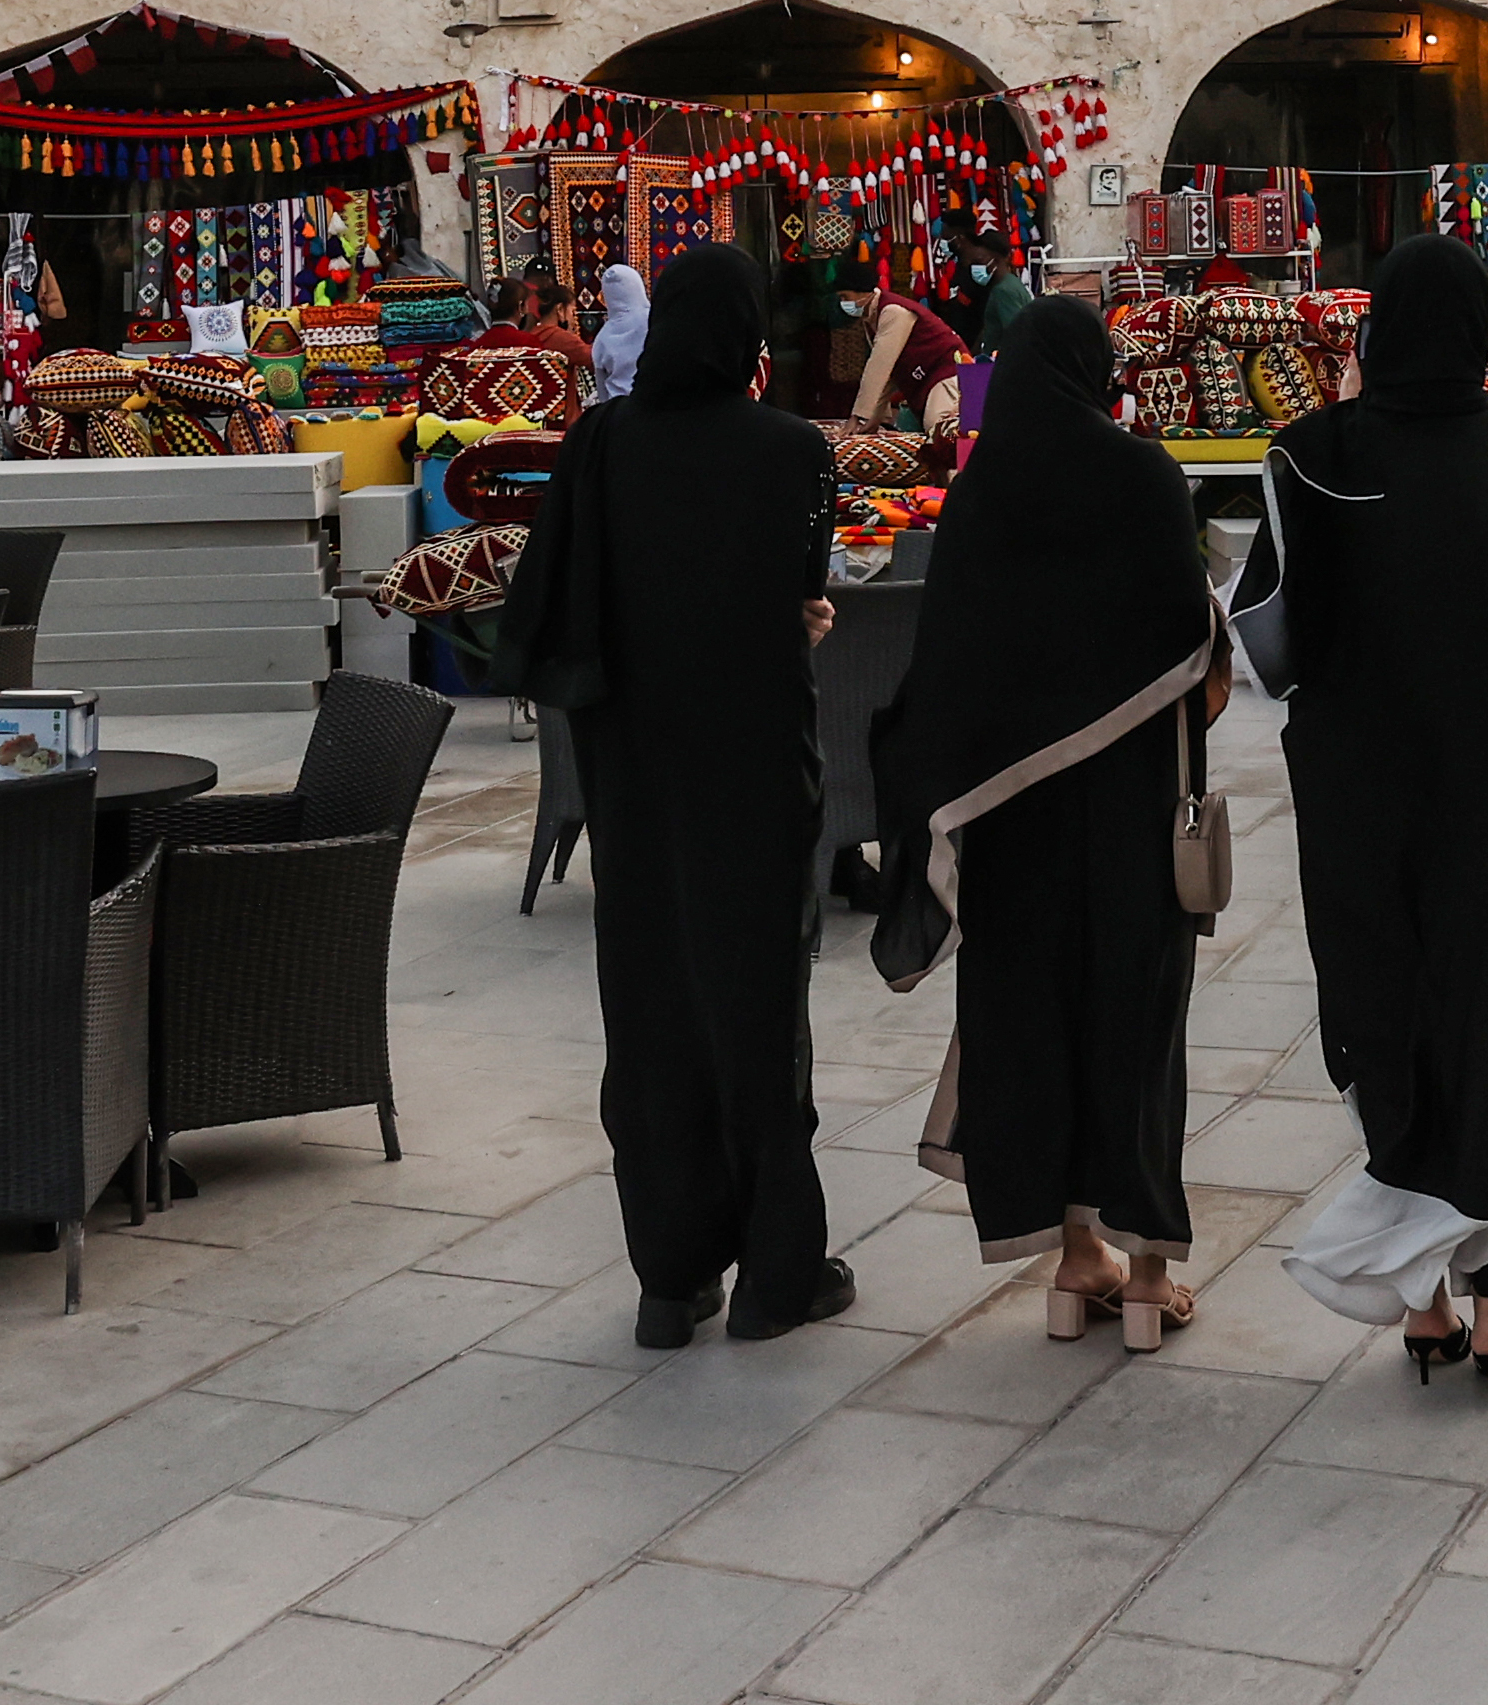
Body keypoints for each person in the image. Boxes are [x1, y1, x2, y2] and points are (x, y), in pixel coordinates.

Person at [497, 243, 854, 1347]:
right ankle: (773, 1273)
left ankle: (669, 1273)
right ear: (748, 334)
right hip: (749, 763)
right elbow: (803, 597)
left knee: (650, 1000)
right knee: (755, 1000)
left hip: (633, 772)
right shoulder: (794, 451)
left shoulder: (602, 442)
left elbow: (553, 594)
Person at [1254, 238, 1488, 1399]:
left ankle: (1424, 1300)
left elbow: (1269, 633)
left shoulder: (1316, 454)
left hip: (1368, 801)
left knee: (1392, 1010)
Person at [873, 298, 1226, 1350]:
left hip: (1010, 822)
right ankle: (1150, 1272)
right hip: (1130, 811)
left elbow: (944, 666)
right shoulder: (1145, 477)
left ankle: (1075, 1259)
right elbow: (1191, 647)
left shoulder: (981, 491)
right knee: (1137, 1013)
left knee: (1030, 1013)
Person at [813, 277, 972, 435]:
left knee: (940, 429)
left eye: (845, 297)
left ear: (863, 293)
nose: (843, 303)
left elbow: (878, 367)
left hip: (945, 371)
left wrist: (858, 417)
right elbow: (889, 372)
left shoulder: (893, 311)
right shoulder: (872, 316)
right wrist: (874, 418)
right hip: (928, 377)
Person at [586, 260, 651, 404]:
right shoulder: (655, 321)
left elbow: (602, 391)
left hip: (618, 414)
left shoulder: (602, 338)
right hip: (653, 410)